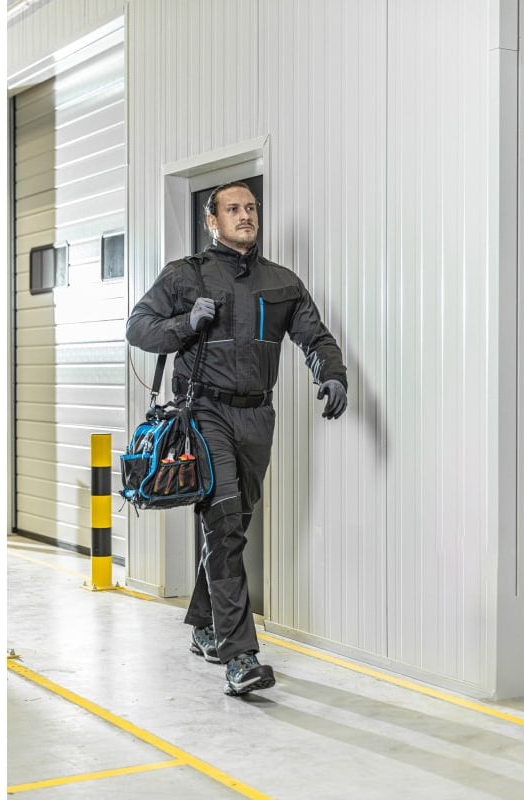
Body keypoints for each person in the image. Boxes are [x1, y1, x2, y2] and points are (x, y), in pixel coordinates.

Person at [125, 181, 348, 696]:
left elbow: (315, 337)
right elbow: (138, 328)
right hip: (205, 414)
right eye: (232, 209)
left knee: (233, 524)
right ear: (213, 221)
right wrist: (185, 322)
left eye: (250, 208)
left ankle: (204, 624)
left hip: (257, 419)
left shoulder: (283, 282)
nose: (244, 215)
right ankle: (240, 656)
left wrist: (332, 375)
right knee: (225, 525)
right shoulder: (184, 274)